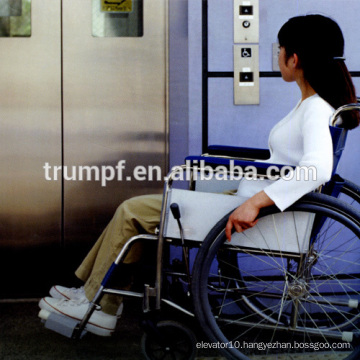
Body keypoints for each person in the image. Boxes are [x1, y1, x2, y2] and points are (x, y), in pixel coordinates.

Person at [38, 14, 359, 336]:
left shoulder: (315, 108)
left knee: (133, 212)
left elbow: (317, 169)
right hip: (246, 201)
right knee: (137, 212)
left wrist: (255, 203)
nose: (277, 56)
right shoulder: (312, 104)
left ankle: (99, 304)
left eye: (280, 49)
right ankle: (92, 294)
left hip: (254, 211)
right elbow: (284, 162)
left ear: (294, 57)